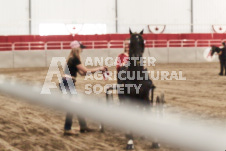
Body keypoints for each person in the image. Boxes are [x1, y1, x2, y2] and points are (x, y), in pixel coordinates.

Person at [60, 40, 107, 135]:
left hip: (66, 82)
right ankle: (67, 128)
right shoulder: (75, 59)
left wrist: (97, 71)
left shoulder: (71, 58)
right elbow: (85, 71)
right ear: (77, 48)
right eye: (81, 48)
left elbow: (82, 73)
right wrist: (99, 69)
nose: (82, 50)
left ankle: (83, 126)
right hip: (68, 83)